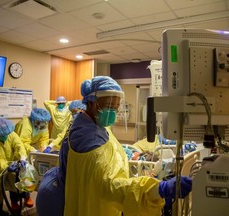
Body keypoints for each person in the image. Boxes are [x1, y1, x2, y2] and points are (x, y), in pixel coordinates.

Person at [36, 76, 192, 216]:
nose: (114, 111)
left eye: (116, 107)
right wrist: (156, 190)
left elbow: (108, 151)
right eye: (109, 106)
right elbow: (109, 186)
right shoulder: (86, 139)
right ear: (91, 102)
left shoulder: (95, 125)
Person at [0, 118, 32, 215]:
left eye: (6, 135)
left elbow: (19, 145)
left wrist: (22, 158)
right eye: (2, 136)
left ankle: (17, 202)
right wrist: (7, 166)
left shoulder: (10, 133)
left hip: (10, 163)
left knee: (17, 182)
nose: (5, 136)